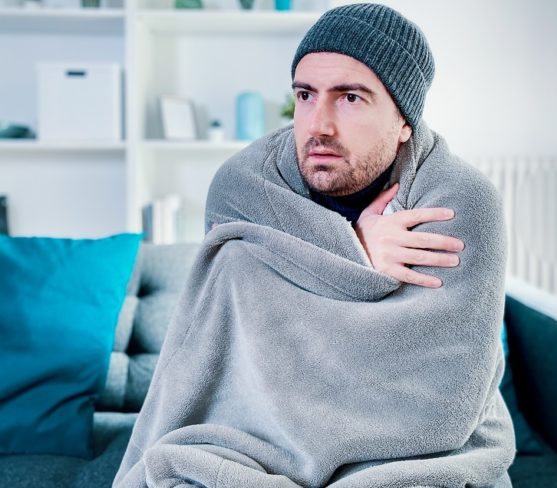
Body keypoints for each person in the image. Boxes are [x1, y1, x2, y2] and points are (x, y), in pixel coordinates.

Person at [114, 4, 515, 487]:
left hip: (418, 454)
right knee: (235, 259)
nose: (318, 125)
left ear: (404, 121)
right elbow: (242, 365)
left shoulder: (458, 199)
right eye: (305, 95)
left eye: (350, 98)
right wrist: (356, 249)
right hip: (254, 437)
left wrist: (321, 263)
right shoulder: (245, 185)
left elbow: (443, 396)